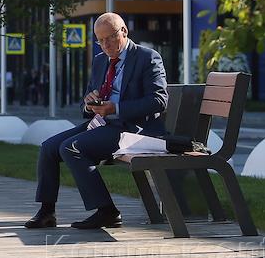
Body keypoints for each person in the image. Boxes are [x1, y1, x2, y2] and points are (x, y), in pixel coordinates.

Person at [26, 12, 168, 230]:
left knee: (71, 147)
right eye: (100, 40)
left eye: (110, 38)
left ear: (124, 31)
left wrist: (116, 108)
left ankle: (107, 211)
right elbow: (88, 99)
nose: (105, 45)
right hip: (103, 124)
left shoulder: (147, 57)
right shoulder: (101, 60)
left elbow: (159, 100)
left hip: (133, 130)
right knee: (48, 148)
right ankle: (47, 212)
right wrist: (89, 103)